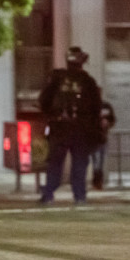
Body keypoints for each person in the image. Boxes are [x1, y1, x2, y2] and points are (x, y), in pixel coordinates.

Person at [37, 46, 102, 204]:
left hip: (60, 127)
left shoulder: (57, 78)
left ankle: (49, 194)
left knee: (56, 162)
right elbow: (96, 107)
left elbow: (44, 100)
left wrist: (50, 117)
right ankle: (79, 196)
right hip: (79, 128)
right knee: (78, 163)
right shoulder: (87, 81)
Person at [90, 100, 116, 190]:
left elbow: (112, 119)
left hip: (103, 138)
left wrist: (108, 123)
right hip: (95, 138)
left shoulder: (106, 106)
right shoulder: (93, 108)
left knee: (100, 161)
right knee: (97, 161)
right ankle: (97, 181)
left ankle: (98, 181)